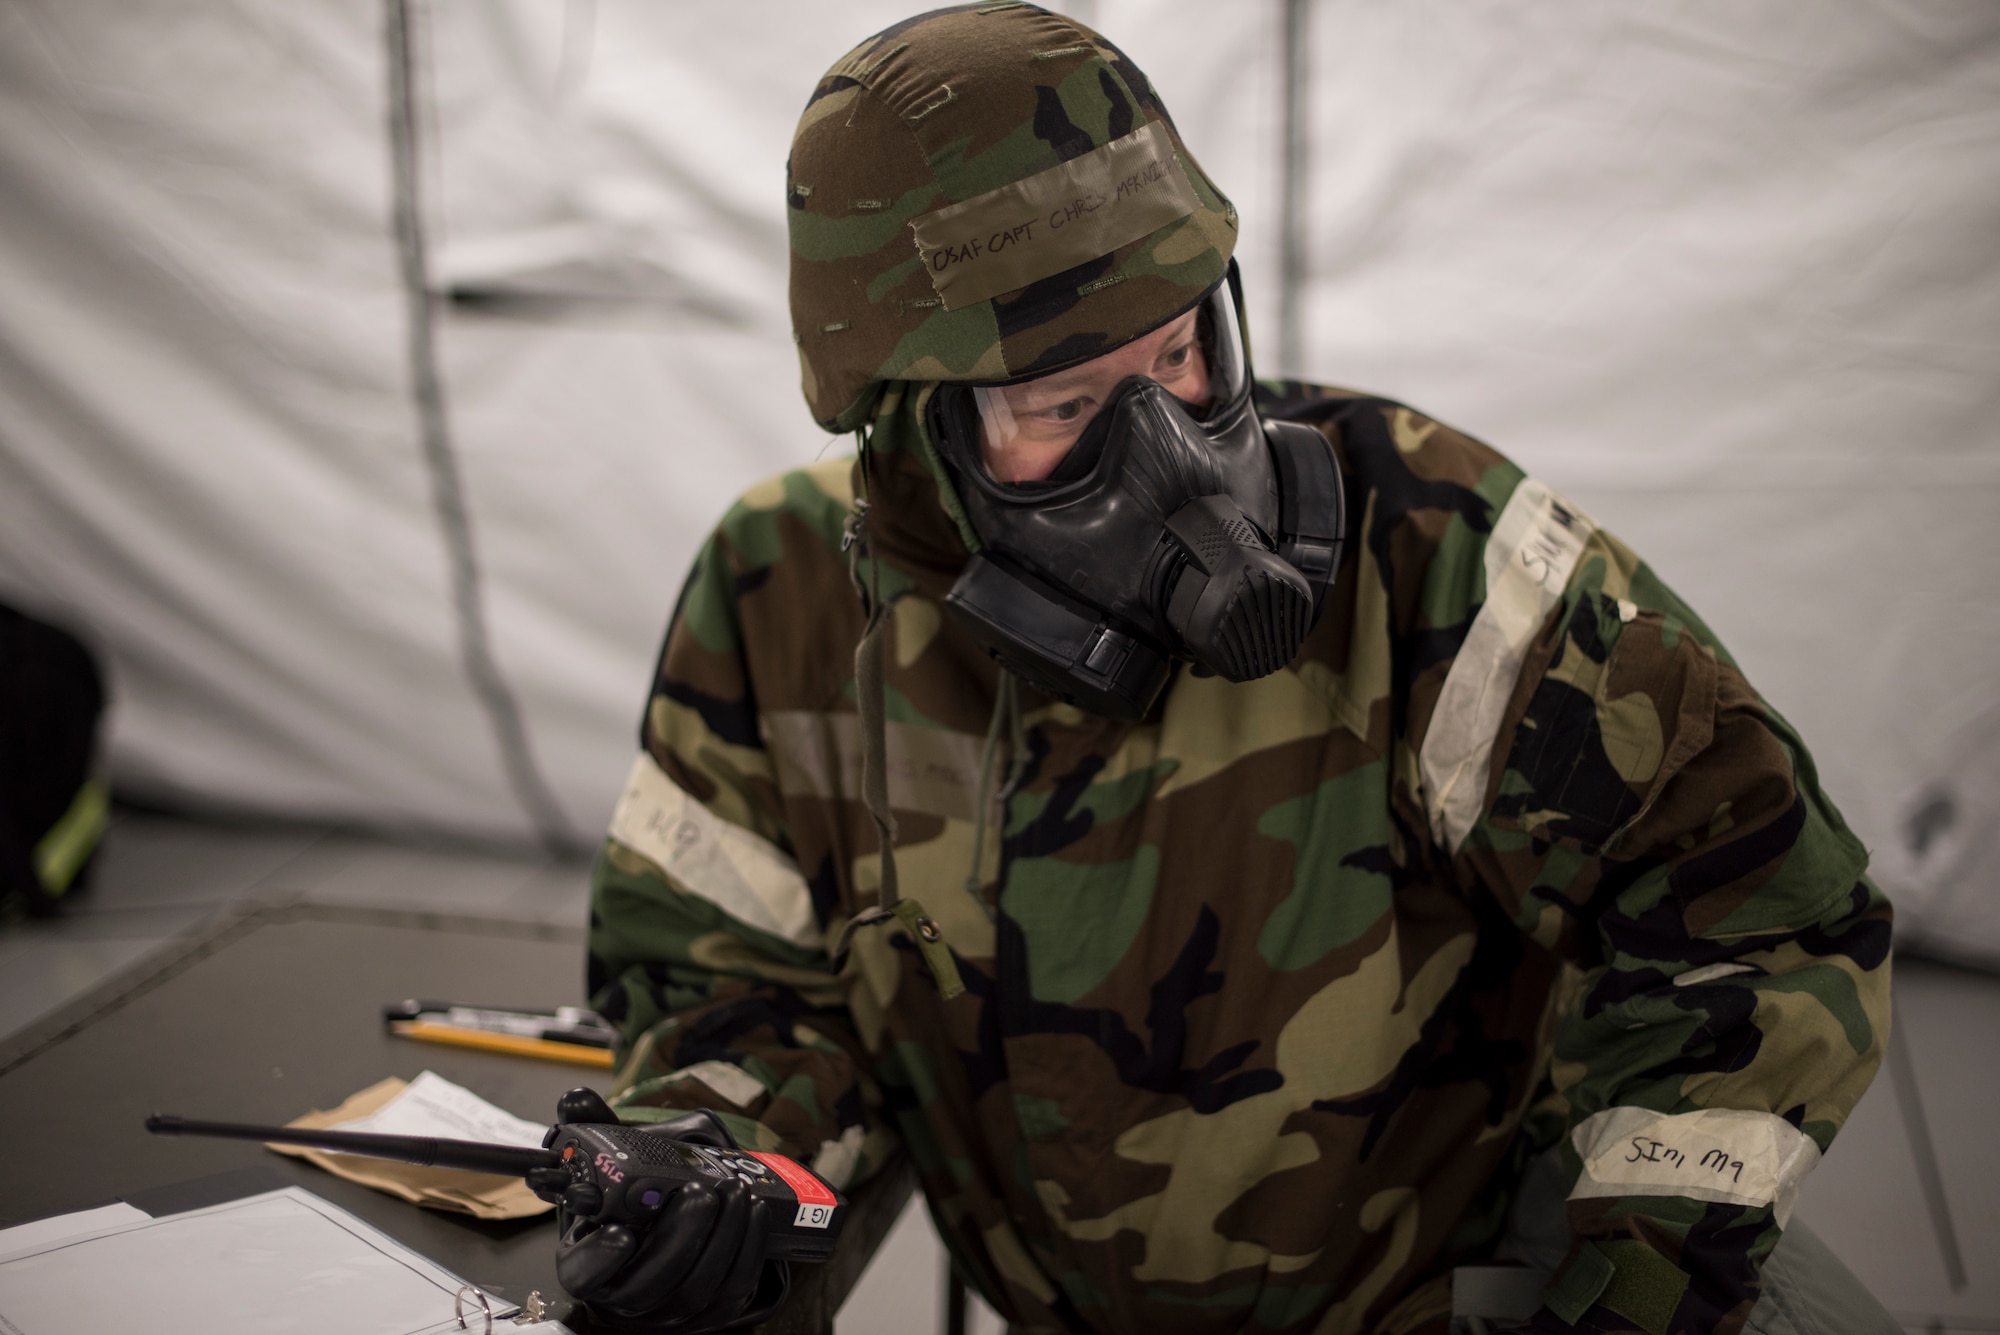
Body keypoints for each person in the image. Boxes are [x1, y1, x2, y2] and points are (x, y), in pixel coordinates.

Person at [562, 6, 1896, 1333]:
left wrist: (1630, 1293)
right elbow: (721, 979)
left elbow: (1761, 916)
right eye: (1065, 408)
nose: (1173, 454)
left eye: (1181, 355)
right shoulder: (785, 596)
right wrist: (729, 1165)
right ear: (911, 432)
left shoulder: (1438, 559)